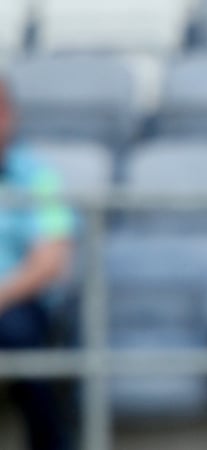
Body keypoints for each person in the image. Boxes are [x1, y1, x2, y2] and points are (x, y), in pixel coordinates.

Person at [0, 79, 75, 450]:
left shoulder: (39, 177)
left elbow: (50, 262)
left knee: (20, 338)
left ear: (9, 116)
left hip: (15, 302)